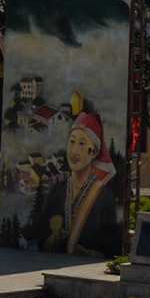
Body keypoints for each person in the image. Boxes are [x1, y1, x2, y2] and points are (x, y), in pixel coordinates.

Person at [25, 110, 121, 256]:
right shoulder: (57, 191)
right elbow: (42, 234)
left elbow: (111, 243)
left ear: (94, 152)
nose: (74, 151)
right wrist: (53, 239)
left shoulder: (103, 195)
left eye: (82, 144)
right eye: (72, 141)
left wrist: (90, 253)